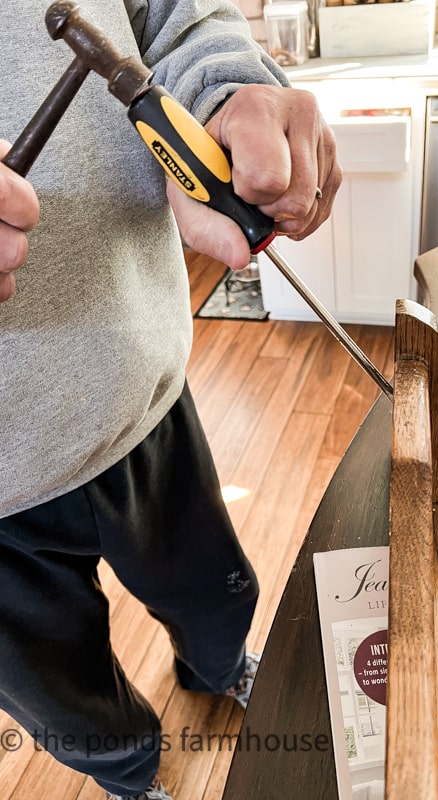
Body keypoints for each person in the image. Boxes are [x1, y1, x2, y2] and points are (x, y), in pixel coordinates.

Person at [0, 2, 342, 799]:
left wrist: (225, 95)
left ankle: (217, 669)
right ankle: (132, 778)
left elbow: (178, 21)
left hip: (140, 395)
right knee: (65, 701)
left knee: (216, 593)